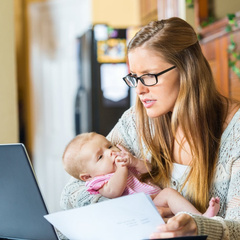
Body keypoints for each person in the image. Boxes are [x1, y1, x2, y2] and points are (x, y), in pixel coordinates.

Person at [60, 17, 240, 239]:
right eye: (135, 78)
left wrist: (200, 227)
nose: (140, 90)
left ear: (188, 69)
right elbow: (71, 192)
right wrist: (134, 211)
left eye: (149, 76)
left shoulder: (236, 133)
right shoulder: (136, 121)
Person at [62, 132, 220, 218]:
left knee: (169, 193)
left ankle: (201, 217)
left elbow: (151, 171)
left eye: (109, 146)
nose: (111, 152)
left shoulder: (123, 164)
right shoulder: (98, 182)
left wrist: (134, 162)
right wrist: (122, 168)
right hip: (136, 213)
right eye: (101, 156)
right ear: (87, 176)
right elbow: (114, 191)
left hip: (153, 200)